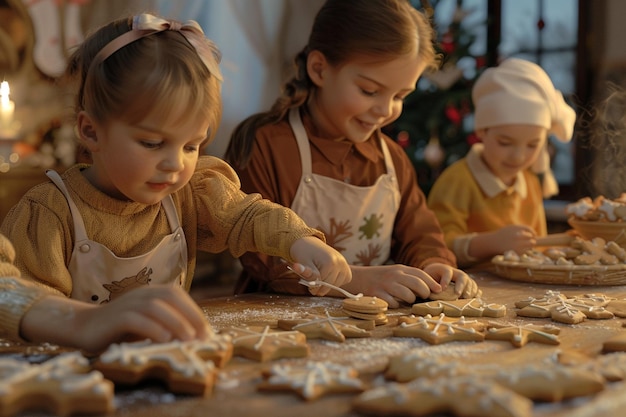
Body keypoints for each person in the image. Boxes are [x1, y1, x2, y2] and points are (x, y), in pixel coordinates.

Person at [0, 13, 352, 350]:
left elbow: (247, 216)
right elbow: (28, 307)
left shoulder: (191, 192)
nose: (175, 164)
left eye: (191, 145)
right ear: (91, 131)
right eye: (152, 143)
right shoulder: (49, 214)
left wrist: (300, 241)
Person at [225, 0, 479, 308]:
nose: (386, 110)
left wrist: (433, 263)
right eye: (369, 91)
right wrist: (356, 280)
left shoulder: (391, 160)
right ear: (319, 69)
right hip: (277, 319)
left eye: (400, 96)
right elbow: (262, 256)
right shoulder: (266, 145)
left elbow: (419, 233)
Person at [427, 58, 576, 267]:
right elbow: (435, 246)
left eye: (533, 145)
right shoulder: (458, 180)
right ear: (481, 131)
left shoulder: (530, 182)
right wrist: (490, 243)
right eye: (505, 143)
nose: (518, 156)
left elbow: (538, 248)